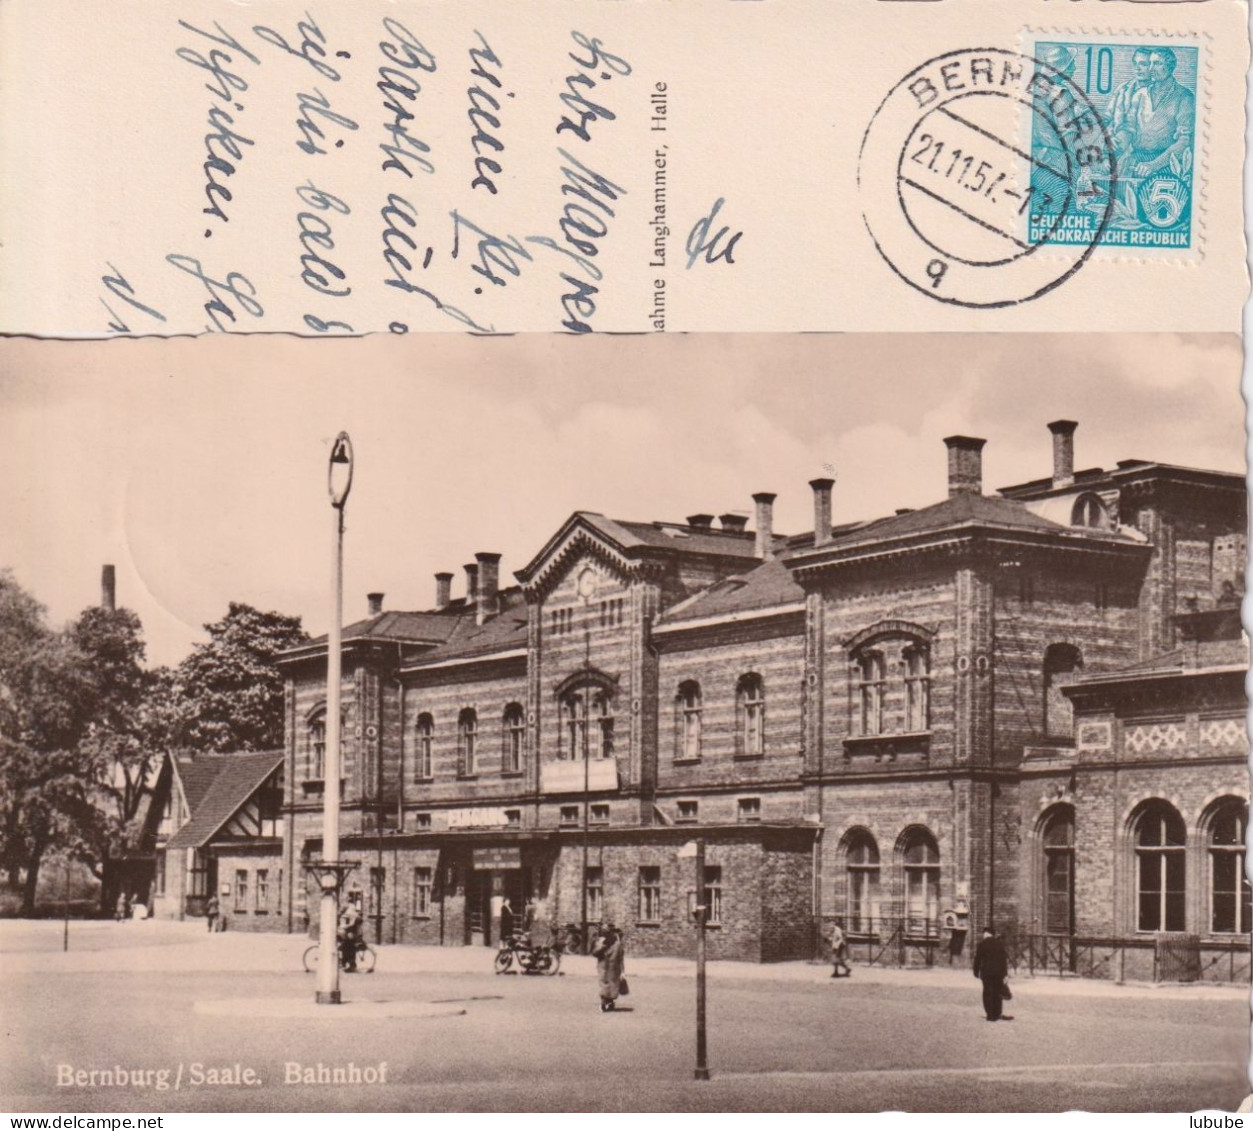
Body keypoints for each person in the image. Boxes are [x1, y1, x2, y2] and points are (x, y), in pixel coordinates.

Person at [1121, 48, 1194, 178]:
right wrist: (1111, 155)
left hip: (1166, 165)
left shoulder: (1184, 97)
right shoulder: (1140, 95)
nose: (1151, 69)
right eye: (1150, 64)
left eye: (1157, 63)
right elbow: (1128, 131)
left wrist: (1154, 165)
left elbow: (1184, 141)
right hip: (1136, 161)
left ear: (1170, 66)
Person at [973, 926, 1012, 1022]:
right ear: (993, 934)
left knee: (987, 992)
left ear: (985, 933)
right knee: (997, 992)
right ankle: (997, 1013)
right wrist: (1005, 974)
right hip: (998, 972)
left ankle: (990, 1015)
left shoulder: (981, 944)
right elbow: (1004, 960)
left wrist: (976, 971)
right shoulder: (999, 944)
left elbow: (977, 959)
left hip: (986, 972)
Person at [591, 921, 625, 1013]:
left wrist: (622, 971)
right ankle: (605, 1002)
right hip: (605, 968)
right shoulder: (603, 943)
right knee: (606, 985)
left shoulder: (616, 944)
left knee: (610, 986)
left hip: (611, 968)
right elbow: (594, 953)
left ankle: (608, 1002)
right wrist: (601, 947)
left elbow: (620, 957)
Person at [339, 899, 363, 972]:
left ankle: (349, 964)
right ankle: (346, 963)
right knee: (345, 946)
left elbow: (352, 924)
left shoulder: (352, 913)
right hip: (353, 933)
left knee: (347, 947)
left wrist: (345, 926)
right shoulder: (351, 912)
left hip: (355, 934)